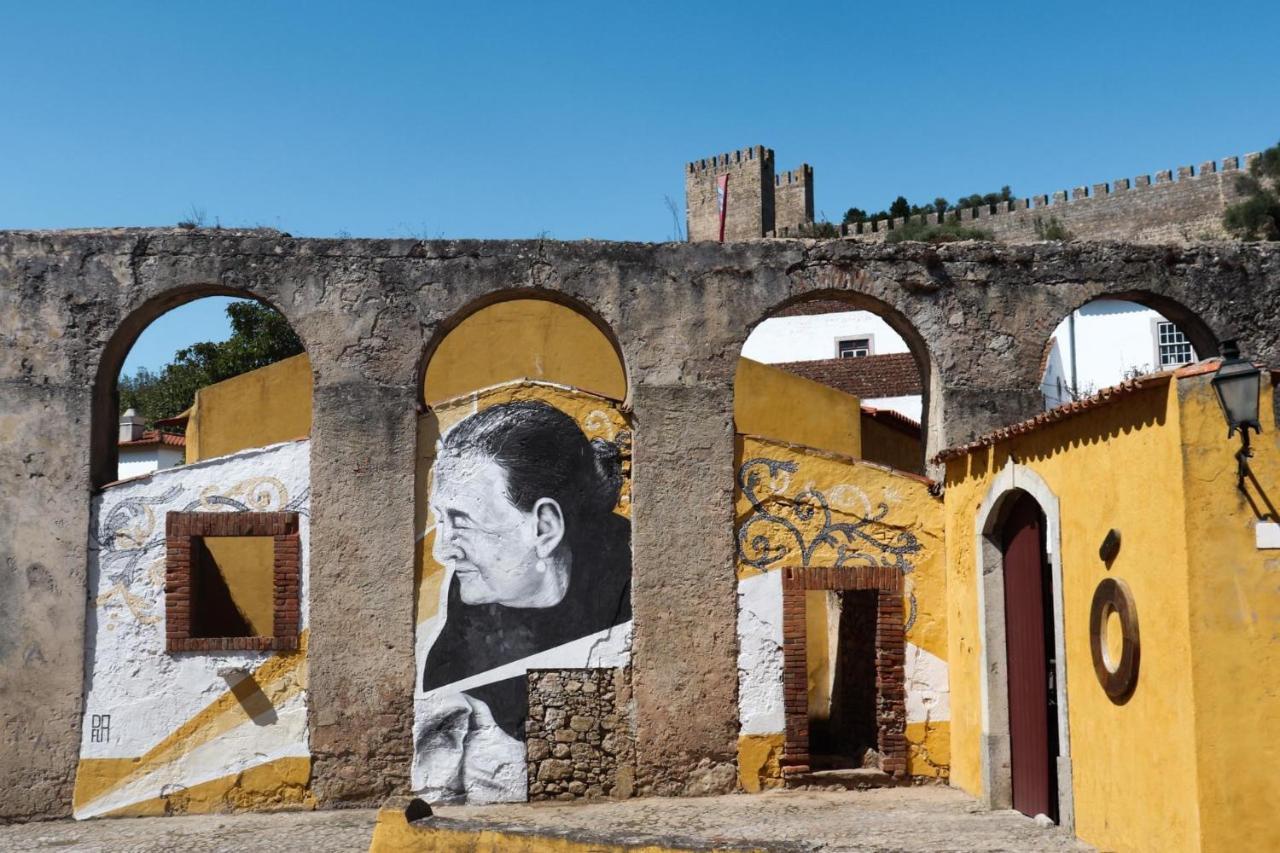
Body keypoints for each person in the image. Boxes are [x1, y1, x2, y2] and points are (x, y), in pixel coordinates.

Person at [412, 399, 631, 803]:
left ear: (544, 527)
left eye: (462, 523)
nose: (443, 550)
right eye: (441, 521)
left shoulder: (635, 579)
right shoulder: (474, 594)